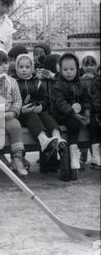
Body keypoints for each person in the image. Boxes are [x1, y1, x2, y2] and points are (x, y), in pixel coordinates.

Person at [13, 54, 67, 167]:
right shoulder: (13, 82)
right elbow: (10, 101)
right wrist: (21, 109)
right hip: (20, 114)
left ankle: (56, 136)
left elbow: (45, 99)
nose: (24, 70)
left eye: (27, 67)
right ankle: (43, 140)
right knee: (31, 115)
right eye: (21, 67)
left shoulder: (36, 82)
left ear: (32, 68)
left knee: (44, 114)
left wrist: (41, 106)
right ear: (16, 68)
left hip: (35, 111)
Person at [0, 48, 27, 176]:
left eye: (5, 63)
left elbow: (17, 100)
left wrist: (13, 112)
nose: (4, 66)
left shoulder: (13, 82)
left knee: (15, 127)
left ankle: (17, 158)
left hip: (8, 115)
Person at [51, 52, 86, 180]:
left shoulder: (79, 84)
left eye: (72, 69)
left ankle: (74, 149)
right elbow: (60, 104)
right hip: (60, 114)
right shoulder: (58, 84)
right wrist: (75, 114)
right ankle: (73, 149)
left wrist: (85, 112)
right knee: (73, 122)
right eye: (65, 69)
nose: (69, 72)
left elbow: (83, 100)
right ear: (60, 70)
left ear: (77, 69)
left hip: (74, 113)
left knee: (78, 122)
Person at [79, 52, 100, 169]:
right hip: (85, 109)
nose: (89, 67)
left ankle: (95, 155)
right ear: (82, 66)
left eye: (92, 64)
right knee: (86, 127)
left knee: (94, 128)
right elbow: (82, 97)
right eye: (86, 64)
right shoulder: (81, 80)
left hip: (96, 109)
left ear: (96, 66)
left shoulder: (98, 78)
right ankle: (83, 152)